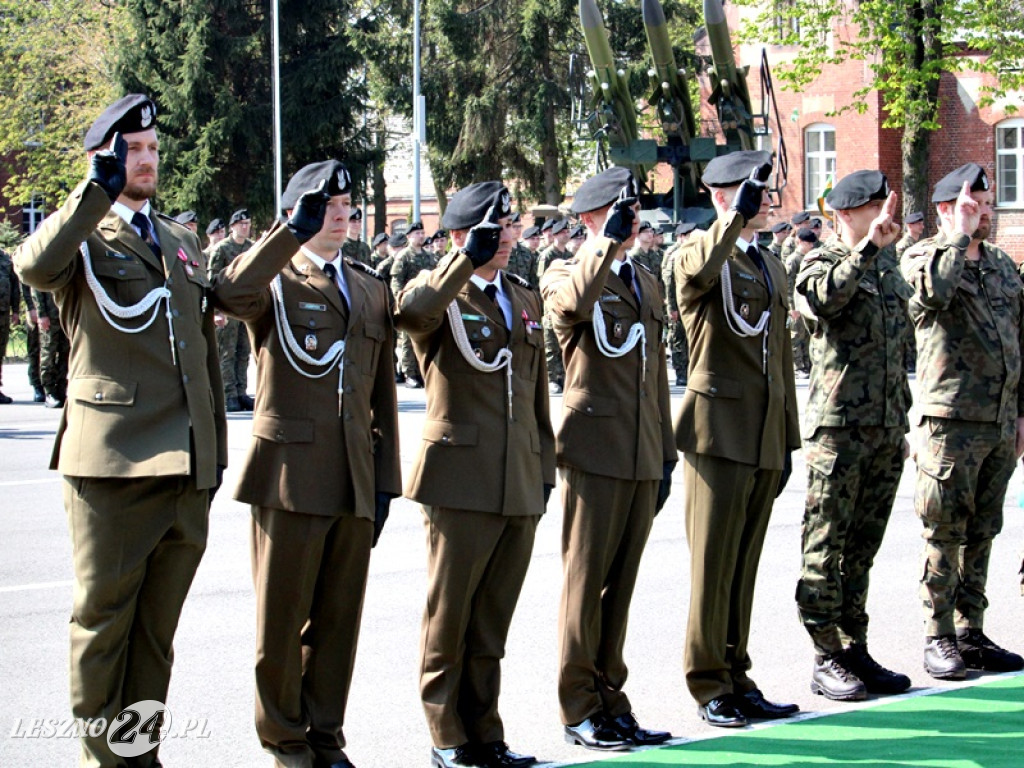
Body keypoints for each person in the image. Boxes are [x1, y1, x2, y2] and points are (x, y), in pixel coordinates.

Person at [14, 93, 226, 767]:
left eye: (153, 150)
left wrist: (211, 456)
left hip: (183, 469)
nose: (146, 160)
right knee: (103, 627)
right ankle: (101, 762)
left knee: (156, 637)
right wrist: (90, 195)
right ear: (102, 157)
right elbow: (34, 267)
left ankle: (138, 755)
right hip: (112, 468)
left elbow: (201, 357)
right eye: (132, 150)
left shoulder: (179, 242)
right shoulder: (81, 235)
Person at [213, 159, 400, 768]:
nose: (341, 215)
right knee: (282, 620)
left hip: (353, 475)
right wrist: (288, 234)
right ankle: (286, 740)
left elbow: (382, 396)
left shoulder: (370, 286)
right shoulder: (277, 278)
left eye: (346, 206)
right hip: (290, 475)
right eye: (326, 206)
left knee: (339, 621)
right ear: (299, 212)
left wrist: (387, 480)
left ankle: (325, 735)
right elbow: (231, 292)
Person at [395, 181, 555, 768]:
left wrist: (544, 466)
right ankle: (446, 735)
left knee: (492, 620)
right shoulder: (441, 292)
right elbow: (410, 314)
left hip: (517, 476)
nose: (509, 237)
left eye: (511, 226)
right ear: (460, 235)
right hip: (459, 477)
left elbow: (536, 392)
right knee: (450, 614)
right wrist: (462, 259)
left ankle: (486, 730)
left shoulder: (522, 295)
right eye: (495, 228)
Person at [541, 167, 675, 752]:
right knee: (585, 583)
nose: (631, 219)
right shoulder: (563, 271)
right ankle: (578, 706)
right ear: (591, 218)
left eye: (634, 209)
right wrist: (601, 244)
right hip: (594, 451)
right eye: (618, 210)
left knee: (620, 588)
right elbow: (570, 309)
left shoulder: (646, 282)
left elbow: (657, 375)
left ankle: (611, 697)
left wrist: (666, 452)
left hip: (642, 449)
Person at [674, 150, 801, 728]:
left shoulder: (769, 264)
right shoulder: (699, 253)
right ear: (724, 197)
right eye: (757, 193)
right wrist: (728, 222)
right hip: (718, 434)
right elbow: (697, 272)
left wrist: (787, 439)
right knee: (713, 565)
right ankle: (707, 682)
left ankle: (736, 671)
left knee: (743, 565)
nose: (769, 202)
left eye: (769, 193)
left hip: (762, 436)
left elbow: (779, 358)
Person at [793, 170, 913, 701]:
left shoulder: (887, 264)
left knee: (861, 551)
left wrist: (899, 422)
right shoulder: (819, 261)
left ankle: (854, 645)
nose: (887, 213)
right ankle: (824, 655)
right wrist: (865, 250)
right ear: (846, 214)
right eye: (876, 206)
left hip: (884, 430)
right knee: (825, 546)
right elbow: (824, 300)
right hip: (837, 430)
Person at [901, 163, 1024, 679]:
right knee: (944, 530)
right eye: (974, 203)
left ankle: (972, 630)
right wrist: (956, 238)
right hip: (949, 421)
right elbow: (933, 294)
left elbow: (1020, 335)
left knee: (983, 529)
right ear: (947, 209)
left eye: (987, 203)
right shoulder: (921, 256)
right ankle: (939, 635)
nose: (985, 212)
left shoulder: (999, 263)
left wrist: (1021, 413)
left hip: (998, 420)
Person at [208, 208, 255, 411]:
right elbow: (212, 281)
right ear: (233, 227)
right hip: (227, 308)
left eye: (247, 224)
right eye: (241, 224)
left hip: (247, 308)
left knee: (244, 351)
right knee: (227, 352)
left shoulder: (252, 248)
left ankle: (241, 391)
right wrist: (216, 311)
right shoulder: (222, 249)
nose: (245, 227)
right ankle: (229, 394)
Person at [391, 222, 435, 388]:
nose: (421, 236)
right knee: (408, 339)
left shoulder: (429, 257)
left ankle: (422, 370)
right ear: (409, 237)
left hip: (426, 303)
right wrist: (400, 300)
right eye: (417, 233)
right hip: (410, 302)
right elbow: (396, 280)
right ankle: (410, 373)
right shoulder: (404, 256)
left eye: (422, 233)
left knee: (426, 337)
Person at [537, 220, 571, 394]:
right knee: (551, 344)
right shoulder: (547, 255)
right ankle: (552, 377)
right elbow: (542, 282)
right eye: (563, 231)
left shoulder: (570, 255)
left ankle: (564, 376)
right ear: (556, 235)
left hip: (567, 305)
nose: (567, 234)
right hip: (551, 306)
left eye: (568, 231)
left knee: (564, 343)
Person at [662, 222, 695, 386]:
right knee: (678, 338)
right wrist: (672, 307)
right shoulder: (674, 254)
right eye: (688, 234)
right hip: (678, 303)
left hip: (691, 303)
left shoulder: (693, 251)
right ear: (681, 237)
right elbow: (669, 283)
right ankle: (681, 372)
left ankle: (690, 370)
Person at [786, 228, 817, 378]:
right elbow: (788, 284)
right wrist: (792, 307)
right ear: (800, 242)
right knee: (796, 336)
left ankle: (807, 364)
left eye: (812, 243)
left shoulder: (809, 258)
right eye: (808, 243)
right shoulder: (793, 260)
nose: (811, 246)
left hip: (807, 304)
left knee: (807, 336)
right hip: (797, 304)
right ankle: (797, 366)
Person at [32, 286, 69, 407]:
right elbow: (36, 287)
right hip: (50, 316)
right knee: (48, 353)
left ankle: (61, 390)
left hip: (66, 315)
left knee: (66, 353)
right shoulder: (45, 267)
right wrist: (41, 314)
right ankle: (49, 392)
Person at [0, 247, 20, 403]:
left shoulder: (6, 259)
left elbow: (14, 286)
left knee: (0, 351)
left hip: (3, 314)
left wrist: (16, 310)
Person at [506, 220, 539, 286]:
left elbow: (533, 278)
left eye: (519, 226)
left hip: (524, 292)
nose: (518, 229)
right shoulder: (502, 251)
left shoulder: (527, 252)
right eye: (514, 226)